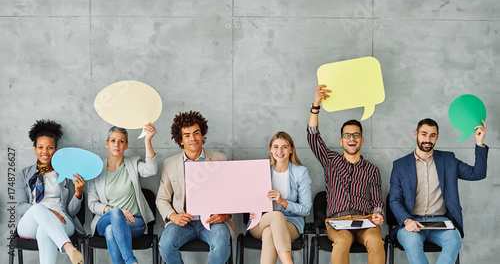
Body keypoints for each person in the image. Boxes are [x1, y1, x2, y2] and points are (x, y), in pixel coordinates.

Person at [388, 118, 488, 264]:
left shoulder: (448, 160)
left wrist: (480, 142)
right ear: (416, 134)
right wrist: (407, 220)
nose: (428, 139)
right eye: (424, 134)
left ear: (437, 137)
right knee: (413, 243)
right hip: (411, 221)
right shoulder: (400, 165)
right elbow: (394, 199)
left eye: (432, 135)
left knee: (454, 241)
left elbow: (477, 174)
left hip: (441, 223)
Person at [306, 85, 385, 264]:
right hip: (338, 221)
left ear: (362, 140)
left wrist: (378, 213)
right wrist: (316, 105)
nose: (352, 139)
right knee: (341, 242)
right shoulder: (330, 160)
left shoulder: (372, 169)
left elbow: (377, 201)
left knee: (375, 241)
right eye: (347, 135)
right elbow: (313, 137)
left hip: (364, 220)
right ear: (341, 140)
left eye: (356, 135)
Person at [157, 111, 234, 264]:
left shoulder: (221, 159)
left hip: (213, 221)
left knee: (220, 245)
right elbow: (162, 199)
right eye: (187, 135)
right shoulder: (170, 164)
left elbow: (231, 194)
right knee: (165, 245)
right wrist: (173, 216)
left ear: (202, 135)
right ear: (180, 140)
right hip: (184, 221)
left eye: (196, 133)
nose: (192, 138)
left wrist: (224, 214)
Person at [87, 124, 158, 264]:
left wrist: (148, 141)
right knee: (115, 214)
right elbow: (92, 204)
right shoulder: (96, 170)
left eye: (121, 141)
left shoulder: (133, 163)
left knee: (110, 231)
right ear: (107, 144)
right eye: (113, 141)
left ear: (126, 145)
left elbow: (151, 170)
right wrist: (112, 210)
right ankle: (131, 260)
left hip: (134, 222)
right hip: (105, 219)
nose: (117, 144)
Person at [16, 119, 85, 264]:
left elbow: (71, 212)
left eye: (50, 147)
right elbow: (21, 206)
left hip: (62, 221)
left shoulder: (66, 175)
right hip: (30, 223)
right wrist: (50, 212)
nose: (45, 152)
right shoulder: (23, 174)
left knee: (44, 229)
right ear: (35, 149)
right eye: (40, 147)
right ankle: (69, 247)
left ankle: (66, 246)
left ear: (56, 150)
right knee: (38, 208)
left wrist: (78, 193)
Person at [248, 131, 312, 264]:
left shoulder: (301, 172)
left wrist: (283, 202)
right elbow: (251, 199)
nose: (280, 151)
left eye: (284, 146)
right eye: (276, 147)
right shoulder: (262, 170)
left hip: (291, 223)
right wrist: (252, 210)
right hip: (260, 222)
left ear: (291, 149)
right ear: (271, 150)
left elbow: (306, 209)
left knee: (270, 232)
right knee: (275, 217)